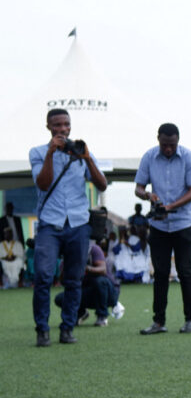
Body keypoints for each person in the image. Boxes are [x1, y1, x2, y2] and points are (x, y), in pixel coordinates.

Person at [30, 108, 108, 346]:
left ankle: (67, 328)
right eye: (57, 125)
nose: (62, 129)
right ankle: (42, 329)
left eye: (66, 124)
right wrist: (51, 154)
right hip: (49, 225)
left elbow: (102, 184)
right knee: (43, 277)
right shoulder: (38, 152)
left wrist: (87, 159)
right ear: (48, 127)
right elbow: (43, 184)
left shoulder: (81, 152)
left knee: (74, 279)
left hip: (78, 224)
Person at [135, 123, 191, 335]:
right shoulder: (148, 157)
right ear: (158, 139)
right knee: (161, 273)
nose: (168, 149)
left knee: (185, 271)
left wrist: (171, 206)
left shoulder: (190, 158)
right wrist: (148, 195)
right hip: (159, 225)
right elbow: (138, 188)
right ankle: (158, 322)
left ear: (178, 141)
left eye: (172, 145)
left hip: (183, 223)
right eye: (164, 144)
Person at [56, 239, 124, 326]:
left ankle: (102, 316)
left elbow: (103, 270)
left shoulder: (93, 249)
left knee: (100, 281)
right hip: (89, 292)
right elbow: (63, 282)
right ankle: (81, 313)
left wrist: (86, 268)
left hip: (109, 292)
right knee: (60, 298)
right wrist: (66, 265)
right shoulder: (68, 255)